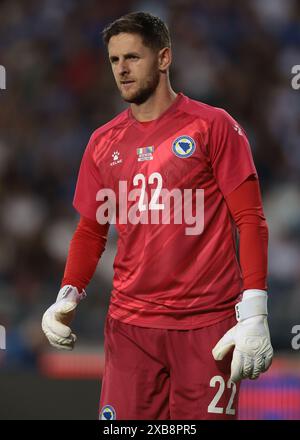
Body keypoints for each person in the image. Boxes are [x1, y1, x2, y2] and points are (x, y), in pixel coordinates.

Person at [41, 12, 273, 420]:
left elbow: (250, 220)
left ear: (164, 57)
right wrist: (68, 293)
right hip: (130, 329)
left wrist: (255, 311)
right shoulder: (101, 142)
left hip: (207, 327)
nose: (122, 70)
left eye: (133, 57)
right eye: (114, 60)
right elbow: (91, 231)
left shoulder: (213, 126)